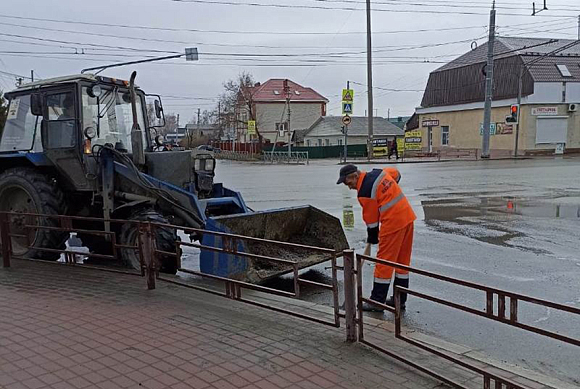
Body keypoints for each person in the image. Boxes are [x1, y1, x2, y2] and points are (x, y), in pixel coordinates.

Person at [337, 164, 416, 311]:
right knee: (402, 263)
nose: (349, 187)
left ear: (355, 176)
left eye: (349, 183)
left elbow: (372, 221)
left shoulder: (365, 192)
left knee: (383, 263)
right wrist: (389, 191)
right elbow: (396, 174)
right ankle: (400, 300)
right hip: (407, 217)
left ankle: (377, 302)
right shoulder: (379, 173)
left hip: (393, 223)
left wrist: (372, 237)